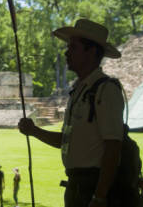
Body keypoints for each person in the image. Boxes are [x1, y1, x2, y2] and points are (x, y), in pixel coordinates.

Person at [18, 19, 124, 207]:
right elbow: (67, 141)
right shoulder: (80, 91)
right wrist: (34, 131)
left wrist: (99, 196)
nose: (67, 52)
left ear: (91, 52)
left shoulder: (105, 90)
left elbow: (113, 147)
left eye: (73, 47)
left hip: (91, 186)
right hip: (76, 186)